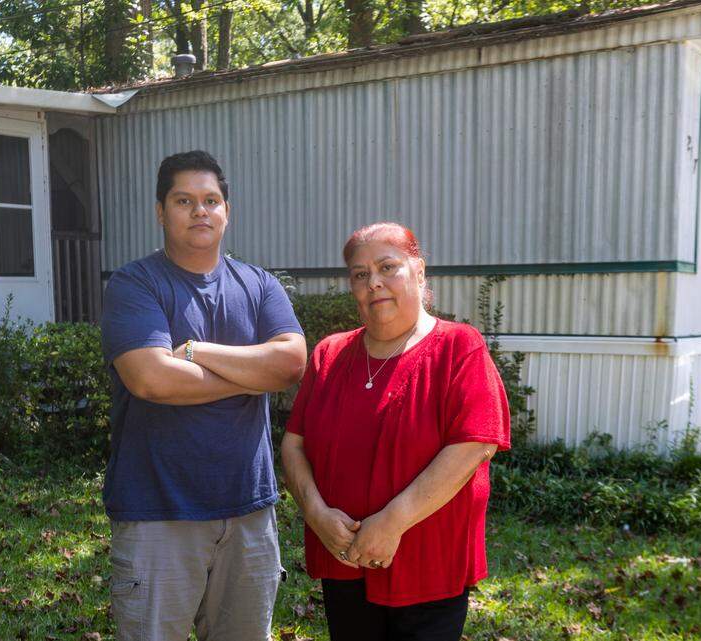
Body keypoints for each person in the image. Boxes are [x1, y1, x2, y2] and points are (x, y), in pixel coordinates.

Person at [99, 150, 306, 641]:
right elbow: (153, 380)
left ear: (226, 211)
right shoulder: (135, 284)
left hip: (249, 514)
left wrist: (195, 352)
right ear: (160, 211)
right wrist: (252, 373)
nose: (200, 211)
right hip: (158, 513)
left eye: (211, 200)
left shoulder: (259, 286)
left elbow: (292, 363)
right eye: (184, 200)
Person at [281, 222, 511, 641]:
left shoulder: (459, 347)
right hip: (343, 556)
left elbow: (474, 444)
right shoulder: (329, 354)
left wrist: (392, 522)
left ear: (419, 272)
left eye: (388, 267)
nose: (375, 283)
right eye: (360, 274)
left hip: (427, 563)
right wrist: (316, 515)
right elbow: (294, 445)